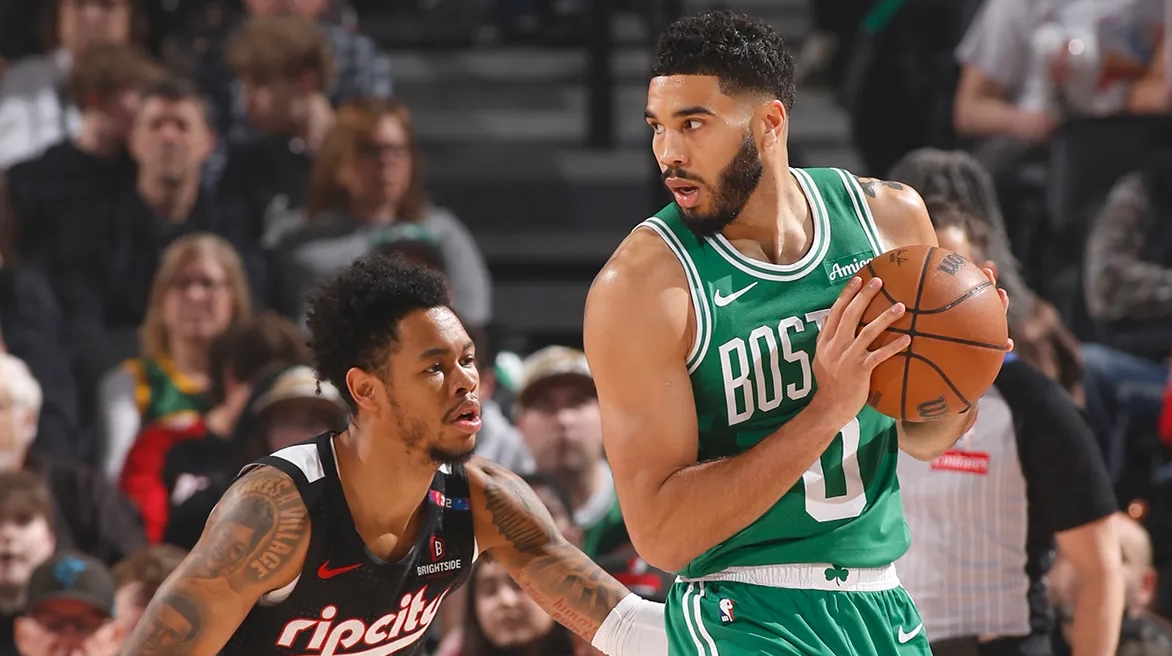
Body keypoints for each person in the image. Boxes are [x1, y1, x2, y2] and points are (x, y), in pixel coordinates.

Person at [583, 9, 1010, 656]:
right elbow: (662, 536)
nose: (668, 153)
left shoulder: (889, 220)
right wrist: (826, 411)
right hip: (743, 609)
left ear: (770, 123)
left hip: (882, 602)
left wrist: (965, 368)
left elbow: (923, 439)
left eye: (692, 124)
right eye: (657, 127)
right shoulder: (643, 288)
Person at [121, 254, 668, 656]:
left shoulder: (486, 501)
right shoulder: (277, 510)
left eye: (468, 360)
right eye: (435, 368)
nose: (465, 382)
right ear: (366, 390)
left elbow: (623, 626)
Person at [898, 199, 1122, 656]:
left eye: (946, 271)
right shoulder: (859, 394)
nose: (930, 293)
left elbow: (1100, 569)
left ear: (986, 280)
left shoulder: (1035, 404)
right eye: (920, 273)